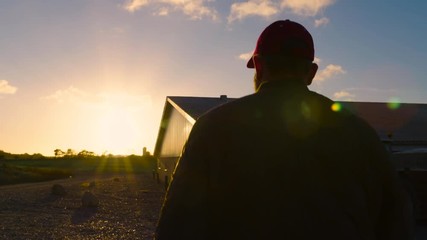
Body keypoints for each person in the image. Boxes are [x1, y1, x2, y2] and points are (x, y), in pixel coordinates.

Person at [155, 20, 413, 239]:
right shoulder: (360, 132)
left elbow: (177, 226)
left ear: (258, 66)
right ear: (311, 72)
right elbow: (396, 222)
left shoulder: (213, 128)